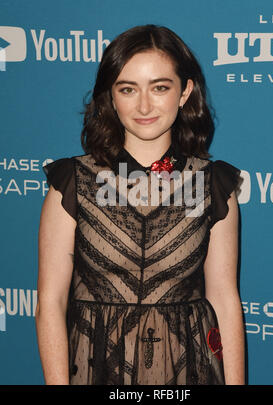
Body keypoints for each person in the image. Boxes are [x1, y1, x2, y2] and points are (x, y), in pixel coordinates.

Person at [35, 24, 245, 385]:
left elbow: (224, 300)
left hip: (189, 373)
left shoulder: (212, 184)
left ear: (184, 92)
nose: (144, 105)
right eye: (128, 89)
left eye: (160, 87)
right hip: (95, 371)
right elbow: (50, 303)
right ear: (111, 98)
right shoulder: (73, 182)